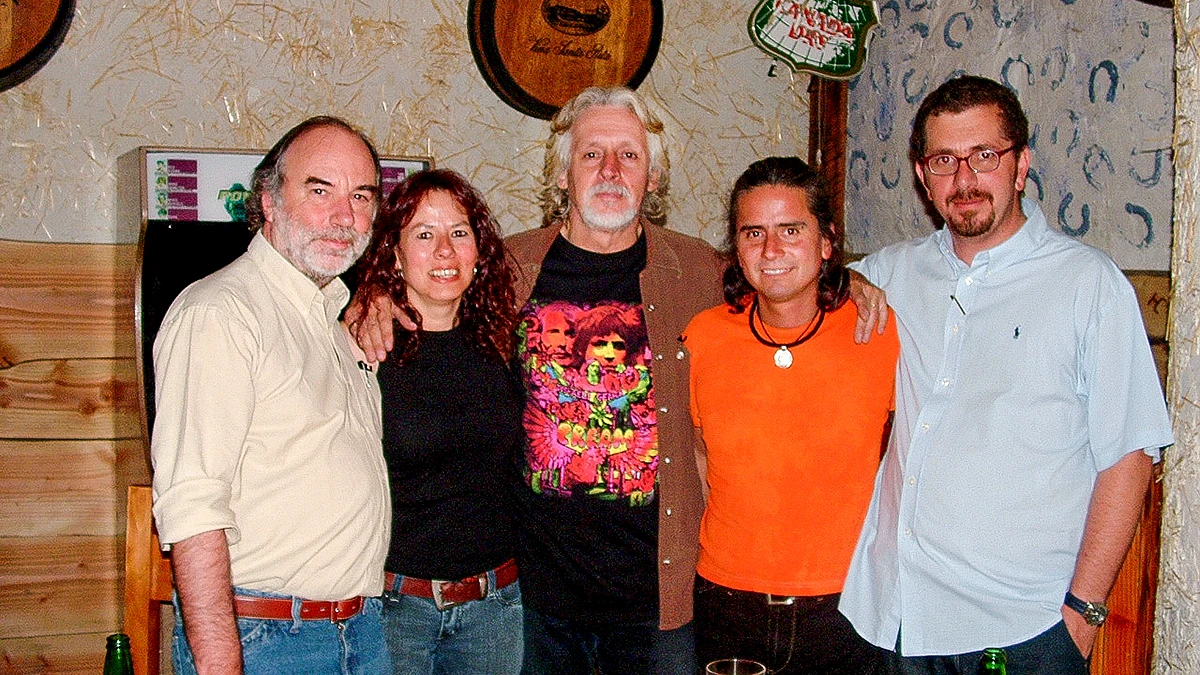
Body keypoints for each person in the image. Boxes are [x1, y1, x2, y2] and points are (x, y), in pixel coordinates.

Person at [838, 75, 1174, 674]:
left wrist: (1082, 617)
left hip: (1023, 632)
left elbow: (1130, 457)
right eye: (945, 160)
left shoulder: (1088, 285)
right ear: (922, 174)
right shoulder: (893, 272)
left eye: (985, 156)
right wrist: (848, 280)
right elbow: (794, 279)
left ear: (1022, 165)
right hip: (894, 622)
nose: (964, 180)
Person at [150, 117, 391, 674]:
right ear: (269, 200)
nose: (343, 216)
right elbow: (192, 509)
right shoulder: (221, 312)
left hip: (358, 632)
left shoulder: (330, 315)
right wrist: (219, 662)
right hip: (268, 639)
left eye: (360, 196)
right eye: (319, 190)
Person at [504, 86, 723, 675]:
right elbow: (422, 297)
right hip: (534, 603)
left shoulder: (699, 270)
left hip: (658, 603)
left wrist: (851, 285)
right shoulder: (504, 267)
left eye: (629, 155)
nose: (610, 170)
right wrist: (369, 299)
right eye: (591, 154)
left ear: (652, 178)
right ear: (561, 176)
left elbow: (788, 288)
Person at [684, 157, 899, 674]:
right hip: (727, 601)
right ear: (736, 248)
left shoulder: (880, 332)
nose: (771, 250)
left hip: (849, 605)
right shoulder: (705, 336)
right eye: (752, 232)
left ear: (826, 242)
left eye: (790, 229)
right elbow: (700, 454)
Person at [351, 169, 525, 674]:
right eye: (424, 235)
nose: (445, 251)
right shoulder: (365, 346)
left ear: (479, 250)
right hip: (394, 608)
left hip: (495, 606)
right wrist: (361, 296)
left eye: (459, 232)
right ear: (396, 255)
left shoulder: (505, 341)